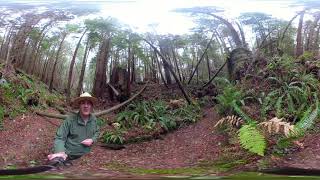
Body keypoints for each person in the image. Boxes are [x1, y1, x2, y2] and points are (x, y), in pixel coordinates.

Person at [47, 92, 100, 162]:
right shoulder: (70, 120)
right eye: (83, 103)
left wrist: (92, 140)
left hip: (85, 158)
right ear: (79, 105)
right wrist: (60, 151)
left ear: (91, 106)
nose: (86, 106)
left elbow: (97, 132)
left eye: (88, 103)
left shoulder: (94, 119)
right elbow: (60, 137)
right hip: (68, 156)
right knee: (55, 164)